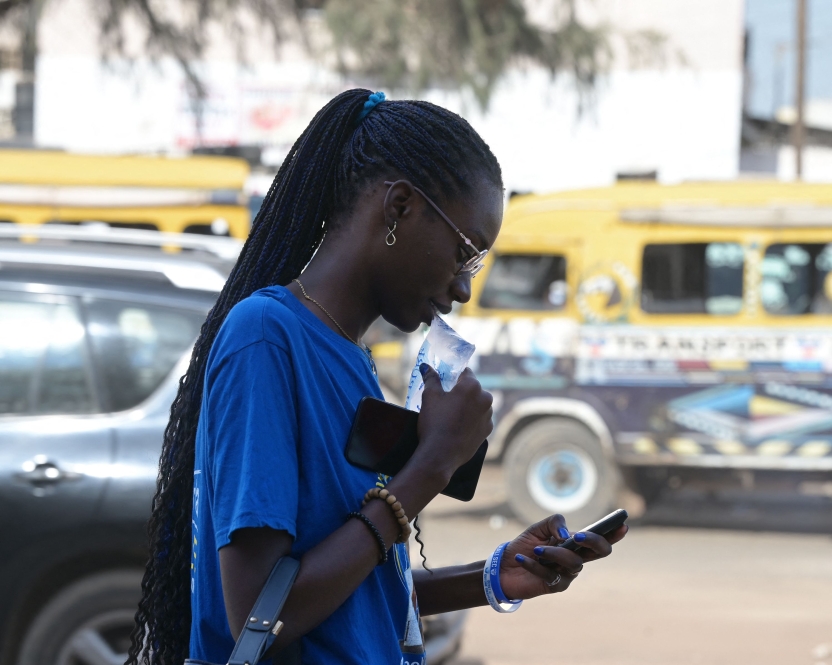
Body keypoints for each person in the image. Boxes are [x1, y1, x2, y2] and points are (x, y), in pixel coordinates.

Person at [126, 88, 628, 665]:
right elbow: (262, 615)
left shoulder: (351, 358)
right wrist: (431, 465)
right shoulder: (265, 336)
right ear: (399, 208)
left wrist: (491, 578)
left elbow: (349, 598)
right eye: (466, 253)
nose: (464, 288)